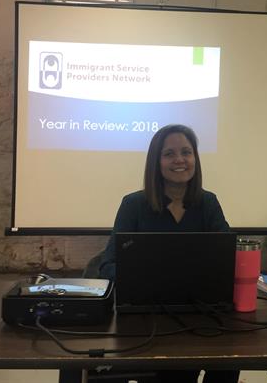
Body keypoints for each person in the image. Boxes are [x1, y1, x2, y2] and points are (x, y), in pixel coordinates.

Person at [98, 124, 239, 383]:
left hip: (200, 313)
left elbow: (228, 258)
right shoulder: (133, 205)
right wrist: (141, 280)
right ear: (156, 162)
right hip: (148, 318)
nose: (179, 160)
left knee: (230, 361)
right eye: (169, 154)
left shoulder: (208, 202)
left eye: (186, 152)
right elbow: (108, 265)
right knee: (174, 374)